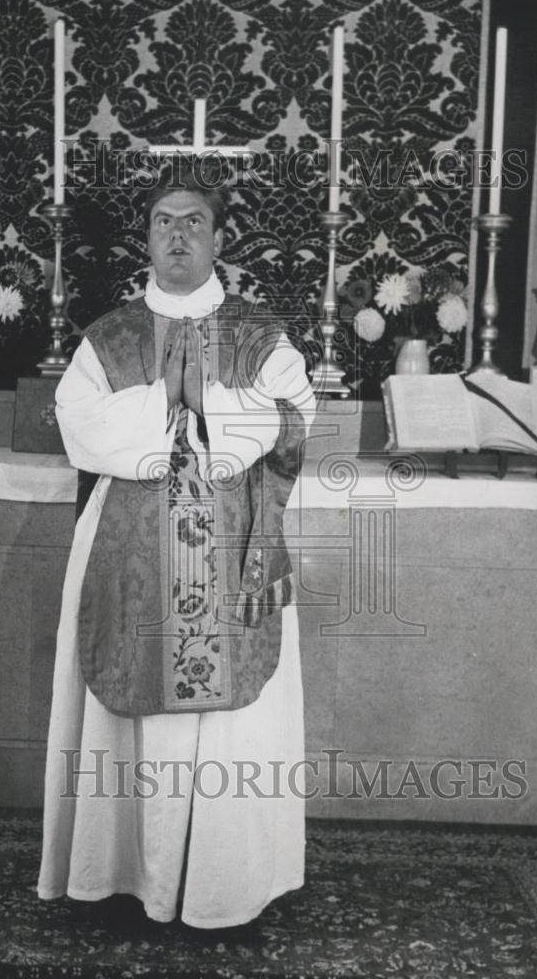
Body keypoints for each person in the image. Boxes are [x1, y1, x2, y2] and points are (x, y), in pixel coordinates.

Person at [37, 160, 316, 929]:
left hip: (234, 547)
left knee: (230, 733)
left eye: (195, 221)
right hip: (128, 550)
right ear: (147, 239)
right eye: (165, 222)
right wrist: (163, 398)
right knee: (131, 717)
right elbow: (77, 425)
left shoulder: (259, 334)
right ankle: (119, 873)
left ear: (220, 238)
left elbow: (292, 416)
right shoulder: (110, 335)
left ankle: (224, 882)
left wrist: (210, 403)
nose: (179, 236)